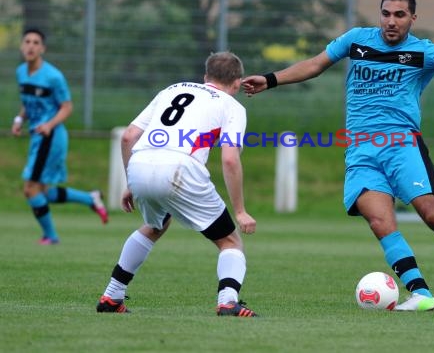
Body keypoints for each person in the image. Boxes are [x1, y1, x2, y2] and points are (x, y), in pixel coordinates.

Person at [242, 0, 434, 312]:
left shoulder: (423, 52)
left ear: (412, 18)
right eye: (386, 13)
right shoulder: (356, 40)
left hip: (402, 145)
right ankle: (421, 294)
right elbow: (315, 64)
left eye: (399, 15)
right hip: (361, 151)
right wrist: (270, 79)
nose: (391, 21)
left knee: (433, 215)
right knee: (380, 221)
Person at [96, 51, 258, 317]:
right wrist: (239, 210)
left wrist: (131, 184)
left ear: (205, 77)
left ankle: (112, 295)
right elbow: (230, 159)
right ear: (237, 83)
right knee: (229, 241)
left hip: (140, 162)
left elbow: (128, 137)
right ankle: (228, 302)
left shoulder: (172, 89)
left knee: (155, 225)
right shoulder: (232, 106)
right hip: (181, 168)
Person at [11, 28, 109, 245]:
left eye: (36, 42)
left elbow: (67, 107)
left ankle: (51, 236)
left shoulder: (53, 76)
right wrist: (19, 120)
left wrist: (49, 124)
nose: (31, 46)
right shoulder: (21, 72)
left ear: (42, 48)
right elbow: (28, 103)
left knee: (30, 189)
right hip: (37, 137)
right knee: (45, 191)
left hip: (51, 137)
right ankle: (90, 198)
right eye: (27, 41)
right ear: (21, 46)